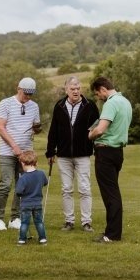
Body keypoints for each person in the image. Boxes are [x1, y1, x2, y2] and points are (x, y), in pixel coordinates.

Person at [45, 76, 100, 233]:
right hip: (63, 155)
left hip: (83, 154)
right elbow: (53, 131)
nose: (76, 91)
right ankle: (69, 221)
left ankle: (86, 222)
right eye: (72, 89)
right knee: (66, 189)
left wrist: (96, 149)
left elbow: (96, 128)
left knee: (84, 188)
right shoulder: (59, 105)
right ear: (66, 90)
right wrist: (50, 151)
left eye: (78, 88)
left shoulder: (90, 105)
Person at [0, 77, 41, 231]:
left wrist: (37, 129)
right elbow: (0, 128)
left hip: (26, 153)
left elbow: (35, 126)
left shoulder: (34, 106)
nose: (28, 96)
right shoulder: (5, 103)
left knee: (23, 186)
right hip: (7, 152)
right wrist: (14, 146)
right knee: (6, 185)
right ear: (18, 88)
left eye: (30, 94)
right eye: (25, 93)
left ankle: (15, 218)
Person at [88, 76, 132, 243]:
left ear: (103, 89)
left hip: (105, 151)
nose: (98, 97)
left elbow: (100, 130)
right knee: (112, 192)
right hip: (117, 152)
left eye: (97, 93)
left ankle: (112, 235)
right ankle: (111, 232)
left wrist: (90, 135)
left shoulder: (111, 103)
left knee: (110, 194)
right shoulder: (125, 102)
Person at [15, 150, 48, 245]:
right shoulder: (41, 174)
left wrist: (21, 194)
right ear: (35, 162)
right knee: (39, 222)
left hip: (26, 204)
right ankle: (42, 238)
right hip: (37, 203)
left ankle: (22, 239)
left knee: (25, 223)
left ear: (23, 163)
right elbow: (45, 183)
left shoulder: (23, 178)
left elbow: (18, 191)